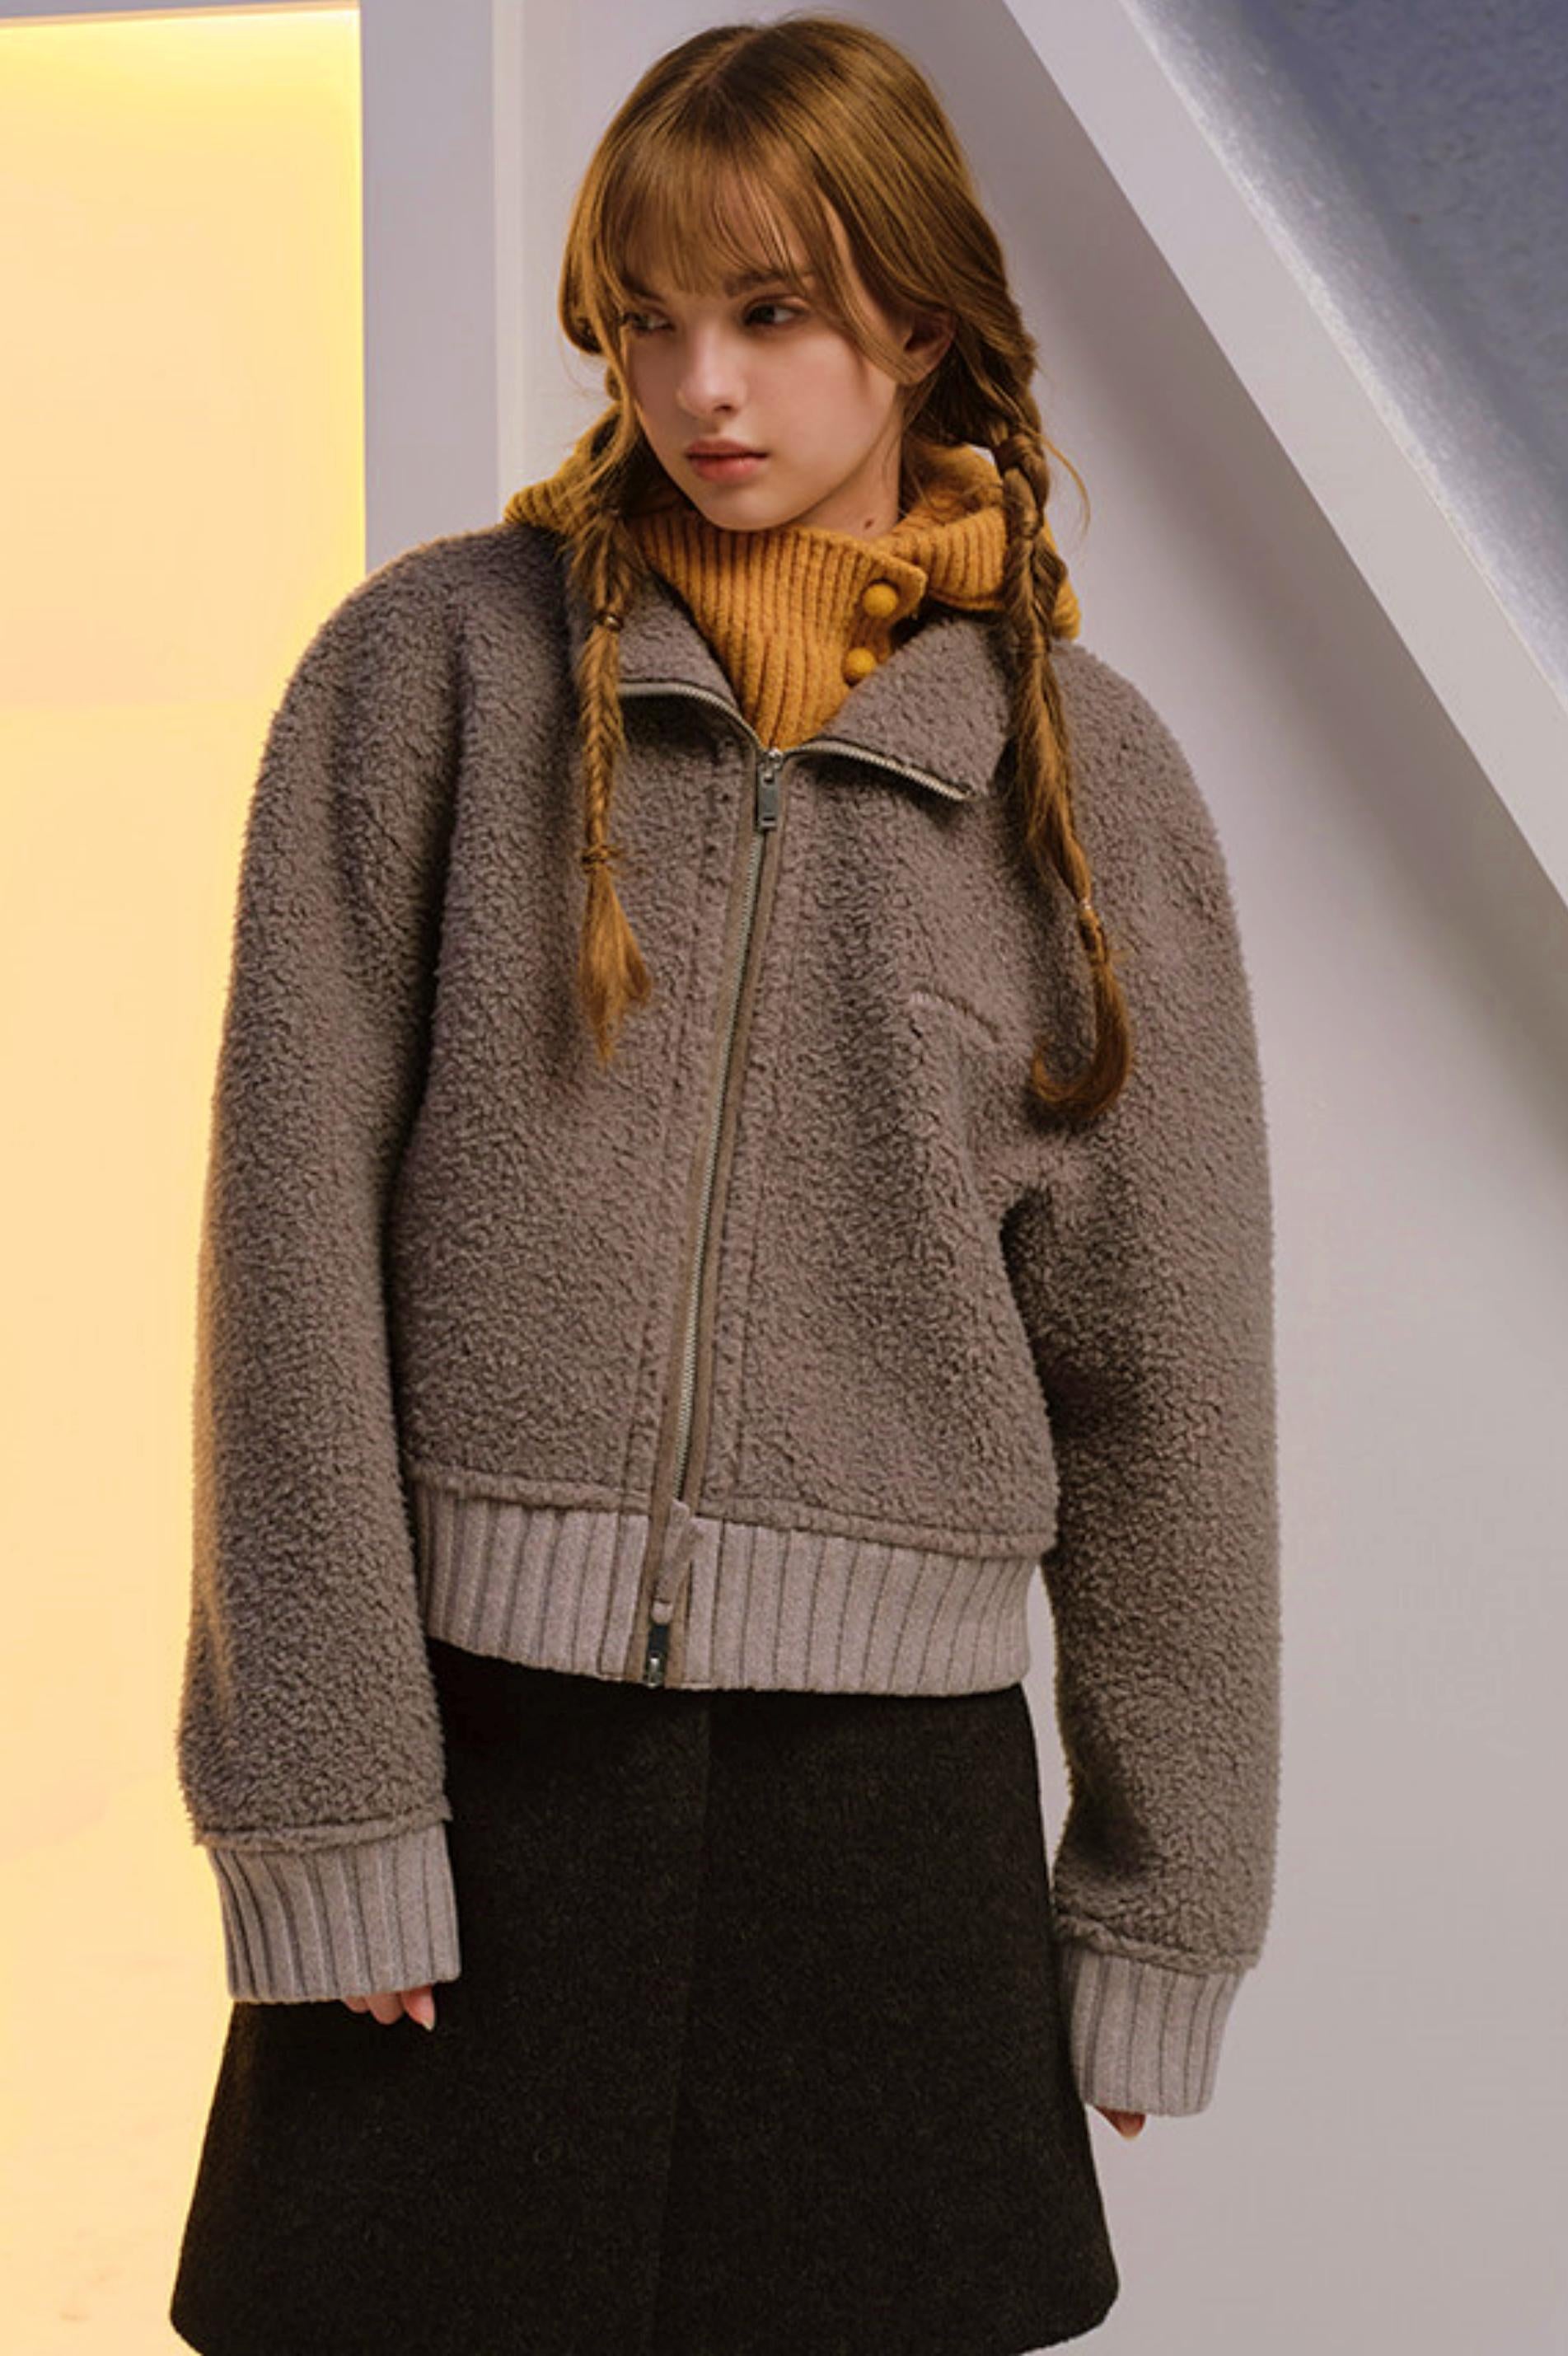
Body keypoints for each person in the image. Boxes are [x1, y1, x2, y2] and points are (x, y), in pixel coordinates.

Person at [168, 14, 1280, 2353]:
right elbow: (287, 1265)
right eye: (645, 318)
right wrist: (331, 1797)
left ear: (920, 318)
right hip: (476, 1760)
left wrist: (1157, 1912)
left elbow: (1168, 1391)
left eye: (772, 312)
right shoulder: (425, 683)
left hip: (890, 1819)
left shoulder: (1085, 789)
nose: (701, 386)